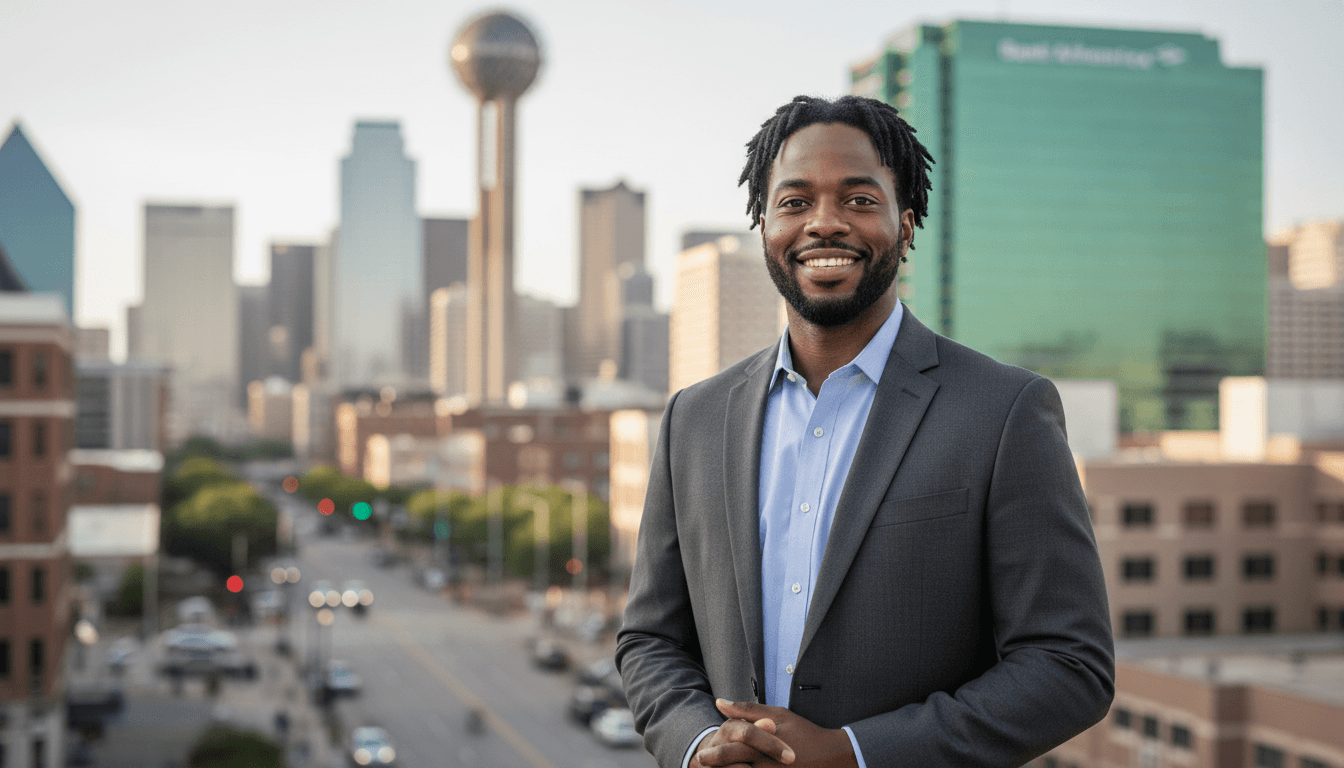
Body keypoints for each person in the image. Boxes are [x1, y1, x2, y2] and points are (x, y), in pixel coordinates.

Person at [615, 95, 1114, 768]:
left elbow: (1069, 664)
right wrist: (699, 740)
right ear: (763, 227)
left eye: (858, 200)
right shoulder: (693, 419)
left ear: (905, 225)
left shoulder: (1005, 412)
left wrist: (855, 753)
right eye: (794, 203)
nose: (824, 223)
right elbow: (650, 639)